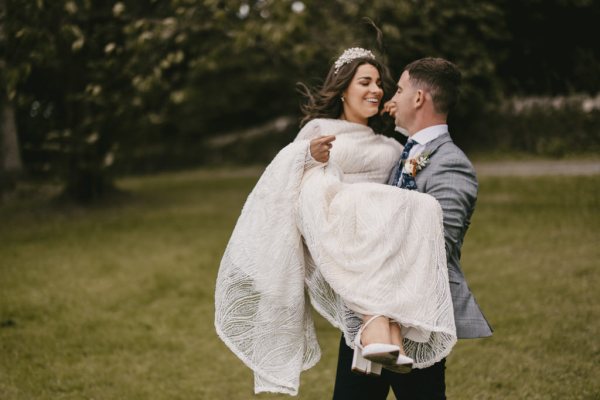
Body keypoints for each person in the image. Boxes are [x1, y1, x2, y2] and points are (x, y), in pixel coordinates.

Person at [215, 49, 457, 396]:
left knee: (416, 207)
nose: (375, 90)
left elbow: (404, 183)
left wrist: (401, 119)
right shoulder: (319, 131)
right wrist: (305, 157)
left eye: (379, 84)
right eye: (365, 82)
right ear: (343, 89)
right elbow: (286, 184)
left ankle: (380, 334)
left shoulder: (390, 145)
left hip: (387, 258)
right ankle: (375, 324)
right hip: (343, 242)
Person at [331, 57, 494, 400]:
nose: (391, 97)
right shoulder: (408, 151)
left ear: (419, 99)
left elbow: (438, 246)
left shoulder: (451, 164)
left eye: (400, 90)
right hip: (370, 314)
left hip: (415, 323)